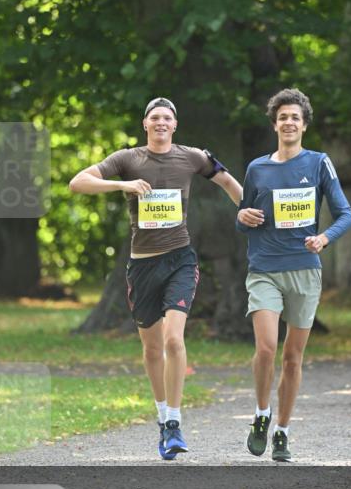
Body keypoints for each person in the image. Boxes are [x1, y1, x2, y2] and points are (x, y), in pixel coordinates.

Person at [69, 97, 242, 460]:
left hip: (180, 259)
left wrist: (249, 210)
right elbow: (77, 183)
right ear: (145, 123)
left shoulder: (192, 156)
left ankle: (176, 423)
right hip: (142, 266)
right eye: (155, 117)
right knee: (151, 349)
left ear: (174, 125)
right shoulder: (127, 159)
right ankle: (163, 418)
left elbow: (227, 181)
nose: (161, 122)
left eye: (167, 118)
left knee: (174, 341)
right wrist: (123, 186)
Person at [236, 88, 351, 462]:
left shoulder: (319, 163)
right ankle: (261, 414)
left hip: (304, 270)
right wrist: (241, 217)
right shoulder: (257, 169)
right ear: (275, 124)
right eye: (283, 116)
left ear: (303, 125)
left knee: (292, 357)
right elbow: (244, 217)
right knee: (266, 348)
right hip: (264, 270)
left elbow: (345, 215)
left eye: (295, 117)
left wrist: (324, 237)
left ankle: (283, 431)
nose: (289, 122)